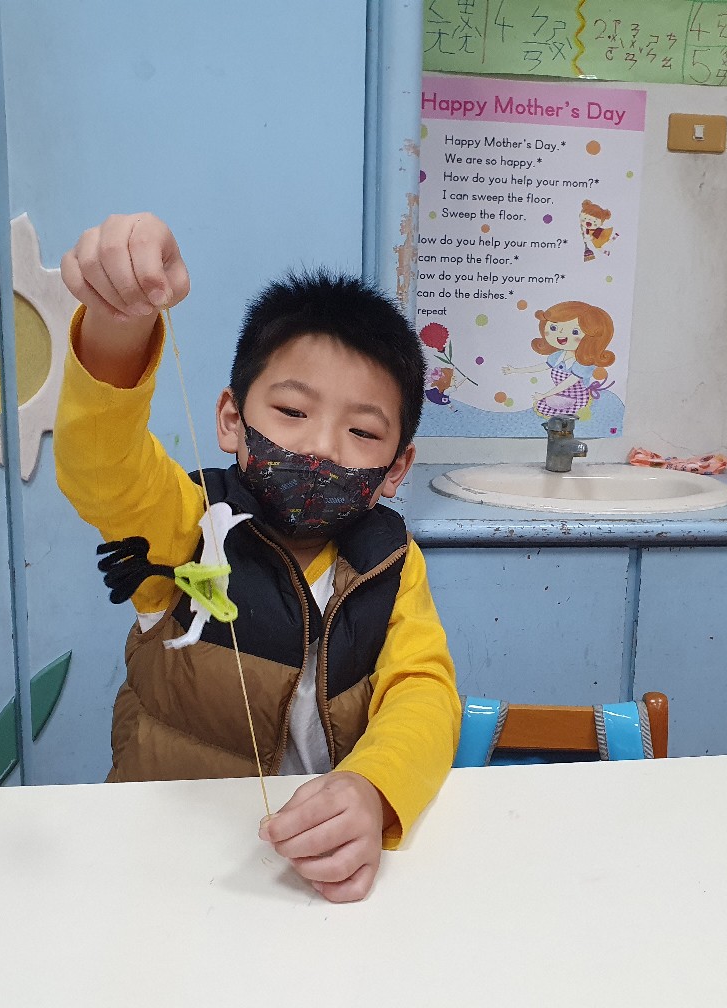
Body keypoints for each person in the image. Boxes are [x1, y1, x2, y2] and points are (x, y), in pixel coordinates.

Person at [55, 212, 461, 903]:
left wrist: (373, 789)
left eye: (363, 431)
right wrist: (117, 326)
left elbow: (423, 690)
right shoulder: (187, 525)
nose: (322, 446)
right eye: (293, 412)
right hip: (163, 868)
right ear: (230, 420)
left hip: (311, 879)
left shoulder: (391, 563)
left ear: (396, 469)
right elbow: (101, 466)